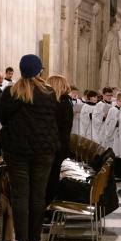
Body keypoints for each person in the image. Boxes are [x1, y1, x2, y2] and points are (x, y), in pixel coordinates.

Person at [0, 54, 59, 241]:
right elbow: (55, 120)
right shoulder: (49, 93)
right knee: (37, 197)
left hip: (17, 152)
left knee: (20, 197)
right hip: (43, 152)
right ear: (38, 71)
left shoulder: (11, 92)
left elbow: (2, 117)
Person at [45, 75, 73, 205]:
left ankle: (48, 206)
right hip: (59, 145)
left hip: (55, 146)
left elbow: (54, 126)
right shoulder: (65, 101)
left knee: (51, 178)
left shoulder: (60, 104)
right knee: (52, 176)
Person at [103, 92, 121, 177]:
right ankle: (114, 173)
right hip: (114, 134)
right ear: (117, 101)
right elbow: (108, 122)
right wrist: (116, 123)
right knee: (115, 153)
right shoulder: (113, 110)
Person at [100, 19, 121, 88]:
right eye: (119, 25)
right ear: (114, 25)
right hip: (111, 55)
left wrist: (119, 51)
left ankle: (114, 85)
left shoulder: (116, 34)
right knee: (112, 69)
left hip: (114, 54)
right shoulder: (111, 33)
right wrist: (107, 55)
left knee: (116, 69)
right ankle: (111, 85)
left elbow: (115, 46)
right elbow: (108, 44)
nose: (120, 26)